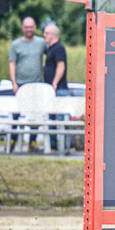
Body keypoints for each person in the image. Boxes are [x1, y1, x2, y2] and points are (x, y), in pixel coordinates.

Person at [8, 16, 47, 152]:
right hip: (21, 84)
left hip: (37, 85)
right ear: (22, 28)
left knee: (35, 116)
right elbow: (12, 64)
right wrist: (14, 83)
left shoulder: (42, 43)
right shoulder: (16, 44)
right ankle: (12, 140)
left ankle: (32, 143)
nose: (29, 29)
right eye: (26, 27)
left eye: (31, 27)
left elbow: (52, 54)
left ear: (35, 27)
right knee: (16, 115)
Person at [43, 23, 70, 152]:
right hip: (52, 91)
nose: (44, 35)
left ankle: (65, 146)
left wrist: (54, 82)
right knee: (51, 119)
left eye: (46, 33)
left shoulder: (58, 48)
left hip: (59, 90)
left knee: (61, 119)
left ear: (54, 35)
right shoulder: (50, 49)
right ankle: (53, 145)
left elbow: (61, 66)